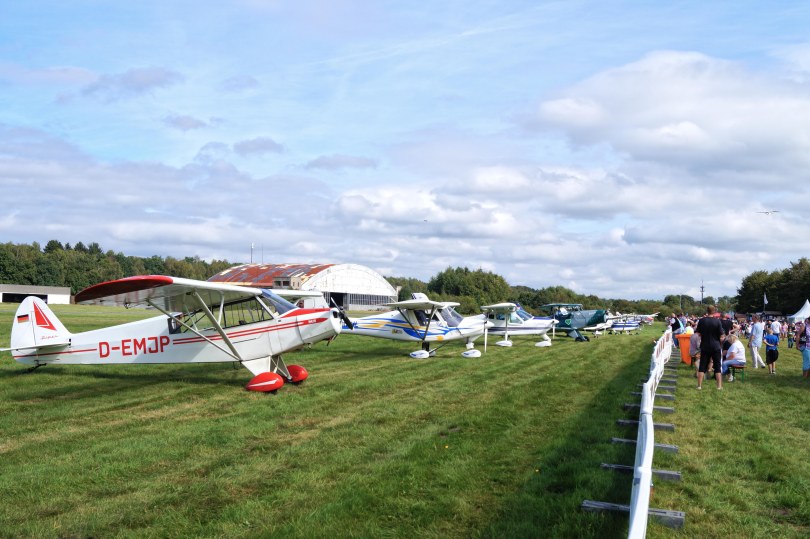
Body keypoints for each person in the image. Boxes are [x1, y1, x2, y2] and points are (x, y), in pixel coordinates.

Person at [696, 305, 725, 390]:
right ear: (714, 311)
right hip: (716, 346)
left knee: (702, 366)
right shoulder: (717, 321)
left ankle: (699, 386)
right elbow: (721, 334)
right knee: (717, 366)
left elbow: (698, 333)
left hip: (705, 345)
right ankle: (719, 386)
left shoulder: (701, 321)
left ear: (707, 311)